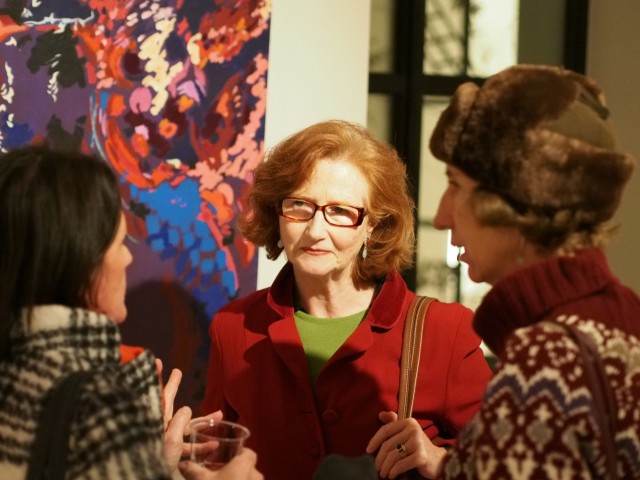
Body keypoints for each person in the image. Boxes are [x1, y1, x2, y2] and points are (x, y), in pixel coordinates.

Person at [374, 64, 640, 478]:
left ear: (514, 203)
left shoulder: (548, 360)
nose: (442, 216)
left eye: (456, 185)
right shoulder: (622, 314)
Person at [201, 119, 493, 480]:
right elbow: (215, 458)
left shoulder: (445, 331)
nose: (315, 230)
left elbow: (512, 465)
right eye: (299, 205)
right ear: (276, 212)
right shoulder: (233, 327)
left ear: (373, 224)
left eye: (339, 211)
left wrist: (443, 462)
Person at [0, 144, 261, 480]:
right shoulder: (100, 403)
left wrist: (153, 460)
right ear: (80, 260)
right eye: (120, 243)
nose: (128, 258)